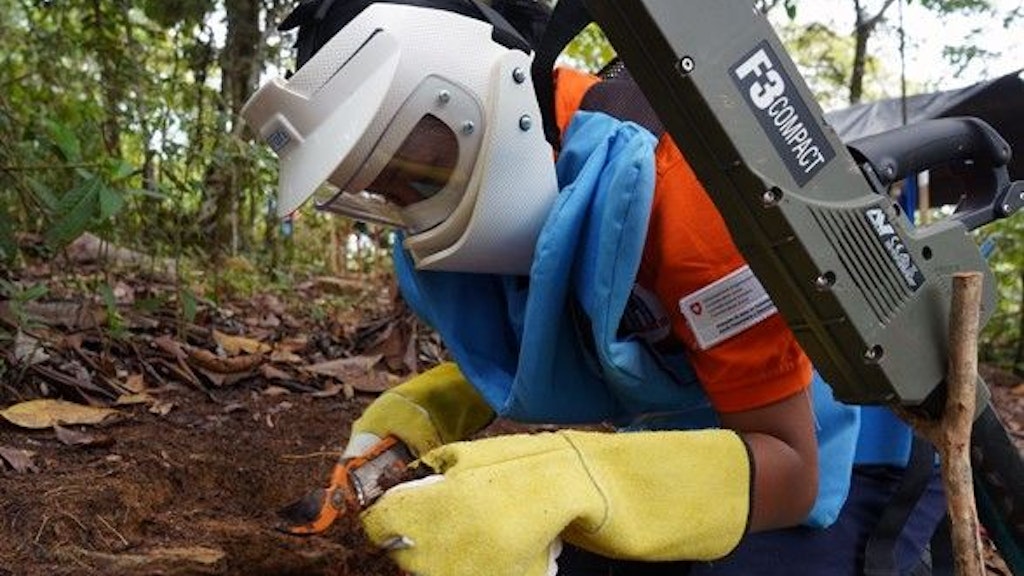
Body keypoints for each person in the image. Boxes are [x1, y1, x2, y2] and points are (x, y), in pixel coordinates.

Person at [242, 1, 949, 574]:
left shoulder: (686, 190)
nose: (408, 208)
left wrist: (571, 477)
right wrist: (436, 407)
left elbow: (796, 472)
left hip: (843, 464)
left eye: (413, 175)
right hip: (696, 438)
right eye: (387, 194)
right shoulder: (519, 171)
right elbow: (583, 325)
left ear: (463, 94)